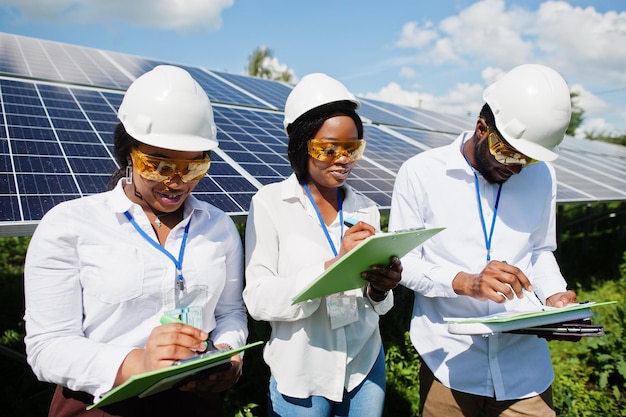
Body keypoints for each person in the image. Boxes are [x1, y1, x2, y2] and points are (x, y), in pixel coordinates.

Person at [24, 65, 248, 417]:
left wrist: (229, 355)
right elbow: (46, 346)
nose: (176, 182)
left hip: (195, 404)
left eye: (192, 168)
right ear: (128, 152)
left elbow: (230, 313)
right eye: (159, 166)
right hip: (101, 405)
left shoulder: (218, 227)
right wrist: (136, 363)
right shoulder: (69, 225)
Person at [388, 63, 577, 417]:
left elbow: (539, 250)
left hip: (525, 371)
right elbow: (404, 263)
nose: (517, 168)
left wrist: (554, 293)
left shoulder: (542, 177)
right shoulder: (421, 173)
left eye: (529, 159)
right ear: (481, 128)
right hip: (450, 365)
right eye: (508, 153)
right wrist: (466, 283)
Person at [243, 73, 402, 417]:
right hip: (302, 374)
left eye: (352, 147)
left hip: (363, 366)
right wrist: (334, 266)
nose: (343, 158)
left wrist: (380, 289)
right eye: (328, 148)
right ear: (302, 144)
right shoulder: (270, 204)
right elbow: (257, 299)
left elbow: (378, 306)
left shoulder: (366, 208)